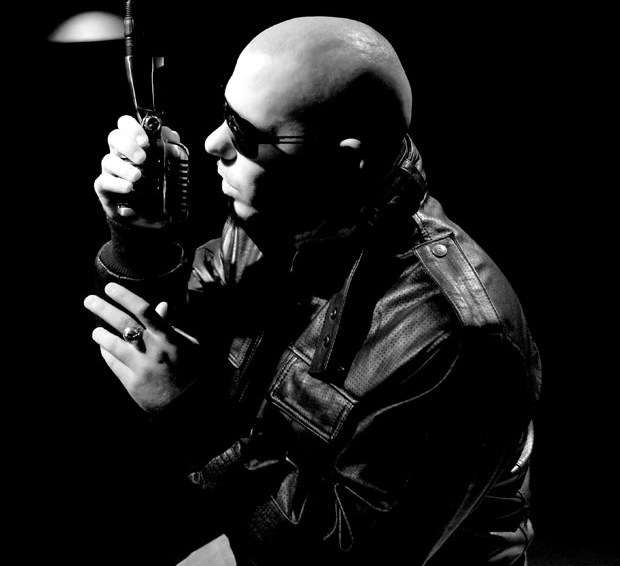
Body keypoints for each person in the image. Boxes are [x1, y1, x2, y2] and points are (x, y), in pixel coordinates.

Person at [84, 15, 541, 566]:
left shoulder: (455, 339)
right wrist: (139, 238)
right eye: (226, 113)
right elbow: (169, 343)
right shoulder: (278, 220)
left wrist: (191, 416)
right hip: (259, 528)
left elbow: (350, 555)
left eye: (246, 134)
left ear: (344, 160)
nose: (211, 143)